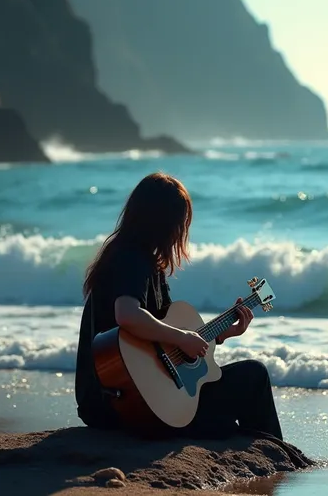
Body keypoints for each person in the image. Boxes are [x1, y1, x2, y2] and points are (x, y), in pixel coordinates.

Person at [75, 172, 283, 439]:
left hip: (118, 402)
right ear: (162, 221)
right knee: (254, 377)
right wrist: (183, 336)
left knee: (235, 403)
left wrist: (221, 335)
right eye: (180, 222)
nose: (181, 231)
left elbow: (165, 346)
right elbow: (127, 315)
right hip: (118, 406)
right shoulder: (131, 259)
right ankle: (277, 457)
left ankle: (269, 452)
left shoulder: (135, 260)